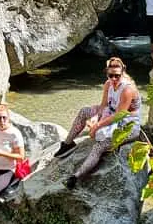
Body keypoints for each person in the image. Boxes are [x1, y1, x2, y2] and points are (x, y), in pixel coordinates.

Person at [53, 57, 142, 189]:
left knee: (99, 146)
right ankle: (68, 144)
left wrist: (97, 126)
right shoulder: (108, 84)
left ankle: (75, 177)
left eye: (116, 76)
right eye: (110, 75)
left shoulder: (128, 90)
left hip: (127, 125)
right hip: (111, 114)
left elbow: (119, 116)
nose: (113, 79)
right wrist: (96, 117)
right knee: (84, 111)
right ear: (107, 72)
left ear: (123, 72)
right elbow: (103, 106)